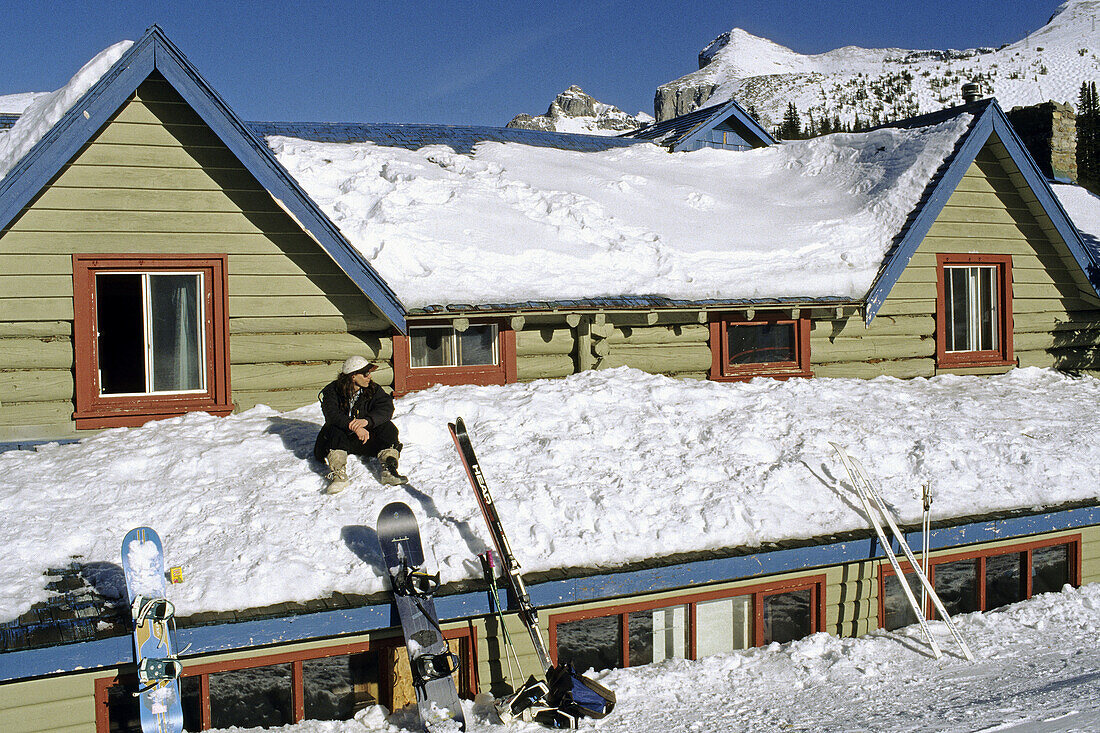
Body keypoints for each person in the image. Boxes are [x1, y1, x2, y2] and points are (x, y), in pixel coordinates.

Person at [314, 355, 408, 493]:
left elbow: (386, 408)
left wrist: (367, 422)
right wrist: (354, 426)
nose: (369, 377)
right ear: (353, 376)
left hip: (365, 439)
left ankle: (389, 470)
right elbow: (332, 415)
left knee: (388, 428)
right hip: (341, 440)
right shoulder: (332, 391)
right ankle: (339, 475)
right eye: (365, 374)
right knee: (334, 429)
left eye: (369, 373)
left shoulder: (373, 389)